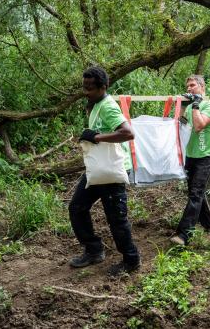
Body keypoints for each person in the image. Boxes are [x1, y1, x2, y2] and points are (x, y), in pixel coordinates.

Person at [68, 66, 140, 275]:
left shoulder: (108, 106)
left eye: (90, 88)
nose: (86, 92)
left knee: (116, 218)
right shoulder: (95, 104)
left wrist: (97, 137)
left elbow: (128, 133)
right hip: (98, 169)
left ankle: (131, 259)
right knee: (77, 207)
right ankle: (93, 249)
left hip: (112, 170)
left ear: (103, 87)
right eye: (84, 87)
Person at [170, 75, 210, 246]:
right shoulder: (192, 106)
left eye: (192, 85)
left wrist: (196, 104)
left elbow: (198, 126)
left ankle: (183, 234)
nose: (189, 88)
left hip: (206, 156)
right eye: (187, 86)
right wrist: (183, 107)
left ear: (202, 87)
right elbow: (181, 124)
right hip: (191, 155)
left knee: (196, 192)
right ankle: (208, 223)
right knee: (195, 191)